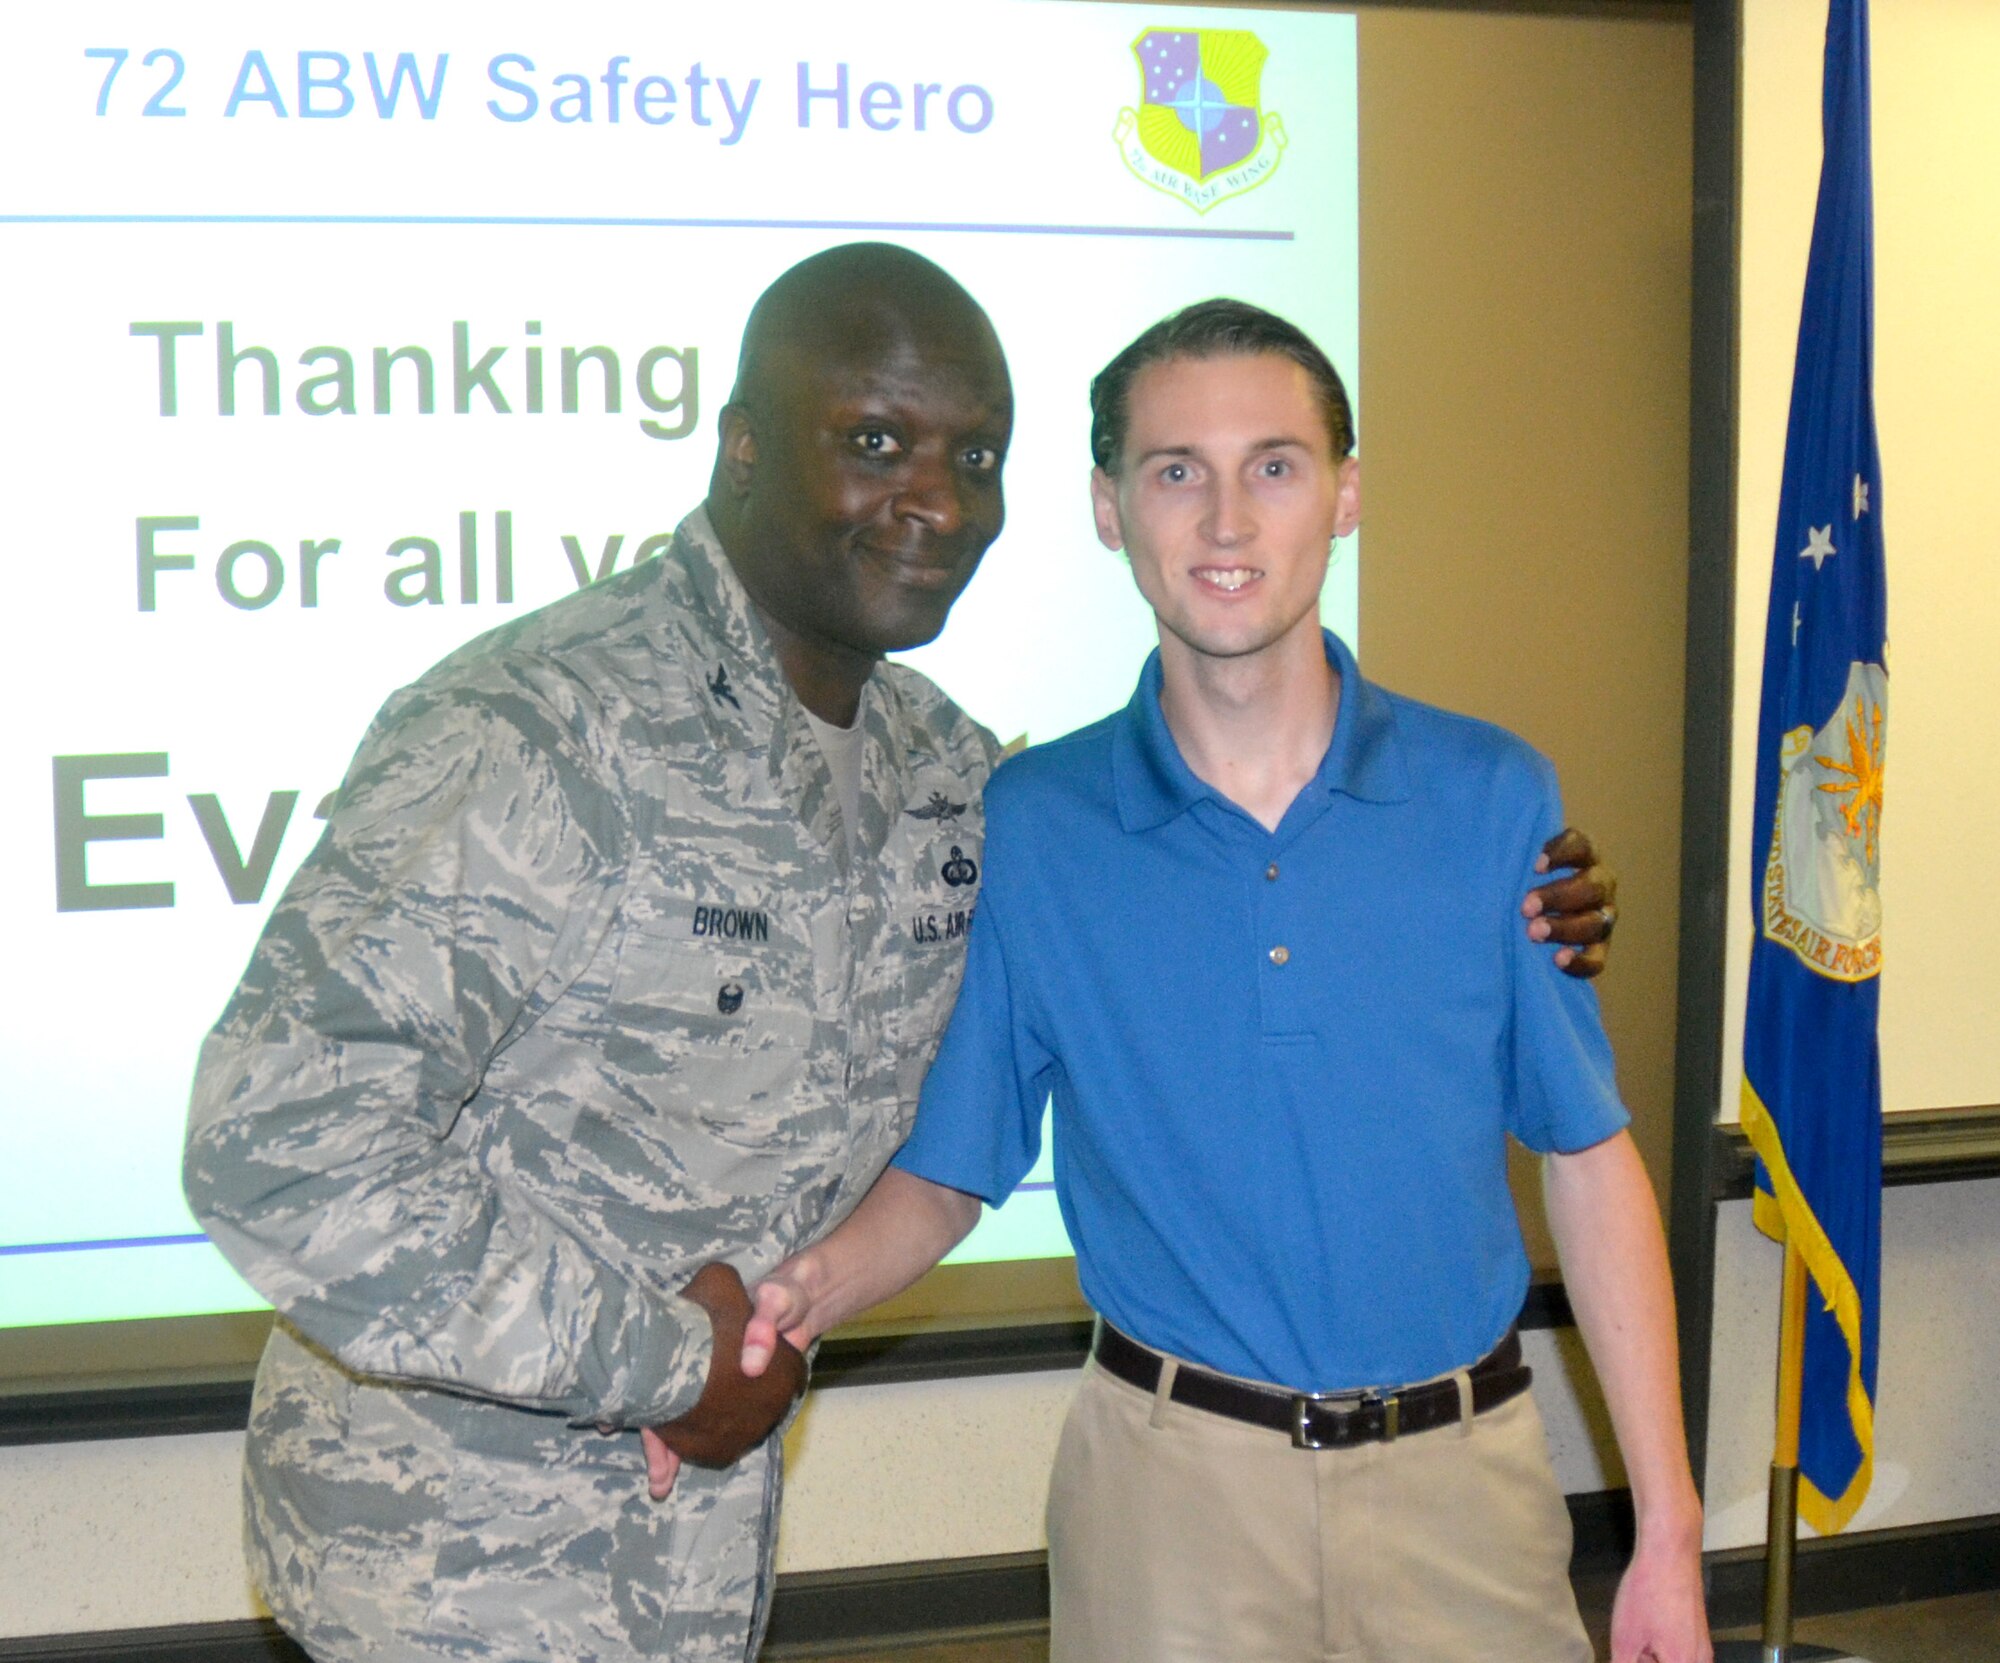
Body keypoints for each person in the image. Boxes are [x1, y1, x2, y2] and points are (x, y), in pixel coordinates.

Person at [184, 248, 1621, 1663]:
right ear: (742, 447)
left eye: (975, 455)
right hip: (450, 1563)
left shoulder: (942, 775)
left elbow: (1180, 881)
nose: (933, 498)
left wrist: (1510, 888)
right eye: (874, 442)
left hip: (700, 1551)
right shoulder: (536, 730)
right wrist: (667, 1366)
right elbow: (276, 1142)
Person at [742, 300, 1708, 1663]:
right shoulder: (1036, 821)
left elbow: (1591, 1160)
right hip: (1167, 1502)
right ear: (1106, 507)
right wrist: (808, 1291)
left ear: (1347, 493)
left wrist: (1666, 1529)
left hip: (1467, 1493)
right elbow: (953, 1169)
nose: (1228, 521)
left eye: (1276, 464)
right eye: (1175, 471)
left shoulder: (1495, 798)